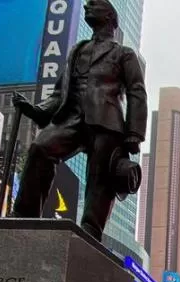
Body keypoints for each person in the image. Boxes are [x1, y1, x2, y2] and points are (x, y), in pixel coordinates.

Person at [10, 0, 147, 240]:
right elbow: (59, 92)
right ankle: (24, 214)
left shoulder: (123, 54)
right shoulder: (77, 50)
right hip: (71, 116)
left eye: (94, 5)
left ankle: (91, 229)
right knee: (40, 148)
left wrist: (134, 133)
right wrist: (36, 110)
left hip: (106, 121)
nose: (86, 7)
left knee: (100, 175)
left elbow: (136, 91)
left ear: (109, 18)